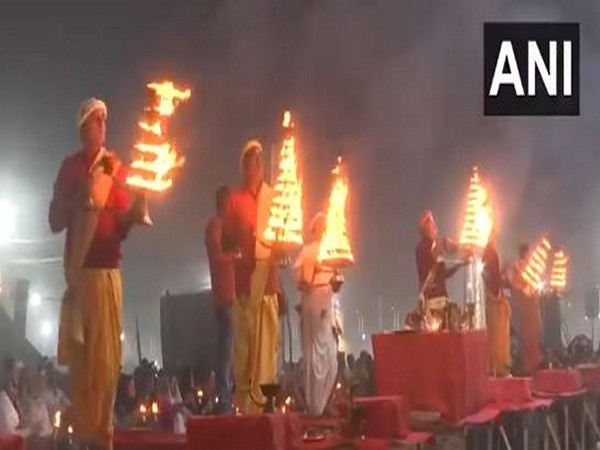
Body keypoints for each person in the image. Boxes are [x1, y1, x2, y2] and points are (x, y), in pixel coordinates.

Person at [49, 98, 145, 450]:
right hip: (81, 277)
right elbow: (54, 221)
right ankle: (85, 438)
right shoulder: (70, 168)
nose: (103, 124)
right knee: (84, 367)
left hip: (108, 275)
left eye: (105, 119)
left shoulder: (114, 168)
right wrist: (77, 201)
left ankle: (103, 438)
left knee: (106, 367)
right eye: (96, 119)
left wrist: (133, 215)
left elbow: (119, 227)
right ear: (83, 128)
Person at [227, 140, 281, 414]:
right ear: (244, 166)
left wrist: (277, 248)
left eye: (260, 160)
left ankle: (264, 409)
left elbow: (282, 236)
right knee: (245, 354)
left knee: (266, 351)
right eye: (251, 160)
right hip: (245, 287)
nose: (256, 165)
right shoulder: (234, 200)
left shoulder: (274, 198)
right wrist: (241, 240)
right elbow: (226, 241)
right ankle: (246, 411)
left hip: (268, 285)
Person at [294, 213, 338, 416]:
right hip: (313, 301)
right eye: (319, 224)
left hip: (328, 301)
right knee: (314, 355)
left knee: (331, 357)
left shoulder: (331, 249)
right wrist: (311, 272)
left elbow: (337, 280)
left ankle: (326, 402)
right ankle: (314, 405)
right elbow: (301, 278)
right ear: (314, 228)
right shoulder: (308, 251)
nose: (323, 227)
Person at [205, 186, 236, 414]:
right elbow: (216, 257)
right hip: (223, 297)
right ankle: (224, 400)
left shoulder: (224, 227)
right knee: (225, 352)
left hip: (228, 296)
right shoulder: (215, 226)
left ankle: (227, 398)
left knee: (229, 350)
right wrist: (233, 257)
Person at [506, 243, 542, 375]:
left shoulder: (532, 268)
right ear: (524, 253)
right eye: (528, 253)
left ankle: (534, 364)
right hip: (524, 308)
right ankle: (527, 367)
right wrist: (525, 289)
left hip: (532, 307)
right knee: (526, 337)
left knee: (533, 336)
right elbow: (514, 283)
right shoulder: (518, 266)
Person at [415, 211, 464, 306]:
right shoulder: (421, 248)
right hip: (432, 300)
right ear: (426, 228)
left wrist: (460, 263)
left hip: (441, 298)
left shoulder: (435, 247)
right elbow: (431, 265)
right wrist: (441, 245)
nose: (435, 227)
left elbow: (443, 273)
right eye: (432, 223)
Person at [482, 229, 511, 376]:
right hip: (494, 301)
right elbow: (488, 275)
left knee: (500, 337)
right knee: (496, 338)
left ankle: (499, 367)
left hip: (496, 299)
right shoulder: (489, 253)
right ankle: (497, 368)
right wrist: (493, 294)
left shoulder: (490, 252)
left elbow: (494, 276)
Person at [0, 358, 28, 437]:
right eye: (16, 372)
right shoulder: (3, 404)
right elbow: (11, 435)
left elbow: (22, 423)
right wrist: (31, 430)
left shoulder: (16, 403)